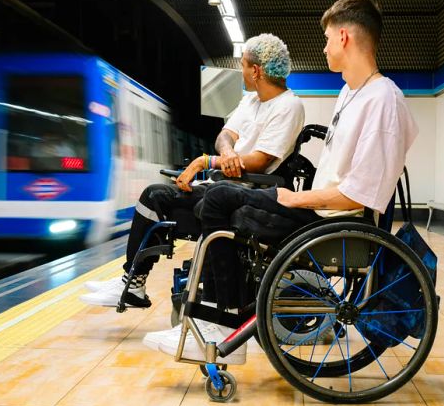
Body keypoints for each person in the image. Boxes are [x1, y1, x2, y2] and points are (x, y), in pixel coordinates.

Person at [149, 0, 419, 365]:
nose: (323, 47)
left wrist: (297, 199)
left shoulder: (382, 101)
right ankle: (216, 317)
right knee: (219, 197)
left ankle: (222, 325)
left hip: (336, 222)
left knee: (217, 201)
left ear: (344, 38)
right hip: (322, 213)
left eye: (326, 38)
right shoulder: (351, 93)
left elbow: (362, 195)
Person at [80, 33, 305, 309]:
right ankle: (133, 283)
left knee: (157, 197)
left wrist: (205, 162)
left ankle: (136, 284)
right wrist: (227, 153)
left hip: (244, 195)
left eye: (243, 64)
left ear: (256, 71)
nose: (241, 70)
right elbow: (225, 135)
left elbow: (259, 161)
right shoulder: (251, 101)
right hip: (225, 184)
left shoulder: (289, 106)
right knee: (154, 195)